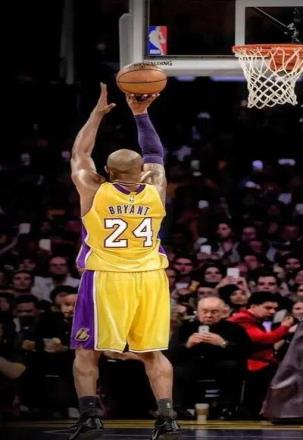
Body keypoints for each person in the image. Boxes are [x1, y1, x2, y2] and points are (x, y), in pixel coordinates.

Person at [68, 83, 180, 439]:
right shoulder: (156, 187)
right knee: (153, 352)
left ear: (106, 170)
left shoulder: (92, 188)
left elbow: (79, 153)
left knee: (87, 351)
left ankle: (90, 417)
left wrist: (96, 115)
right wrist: (141, 114)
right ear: (142, 171)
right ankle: (167, 418)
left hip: (106, 277)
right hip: (150, 278)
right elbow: (155, 152)